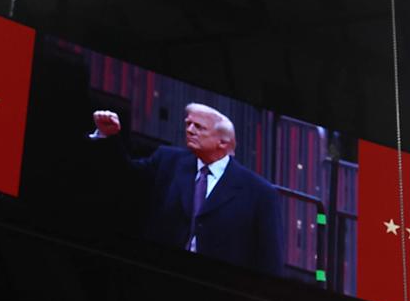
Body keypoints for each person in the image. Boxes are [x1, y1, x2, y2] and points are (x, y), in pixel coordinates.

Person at [90, 102, 285, 276]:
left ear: (223, 142)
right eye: (188, 124)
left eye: (199, 127)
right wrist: (107, 137)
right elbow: (125, 178)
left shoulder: (260, 193)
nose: (190, 130)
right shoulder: (167, 160)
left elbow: (269, 264)